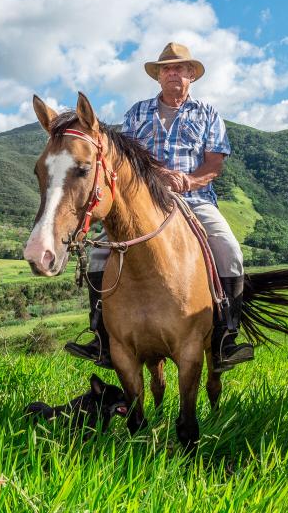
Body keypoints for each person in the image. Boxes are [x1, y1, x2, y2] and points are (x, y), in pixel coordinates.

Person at [65, 42, 254, 373]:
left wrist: (188, 181)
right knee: (98, 254)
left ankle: (226, 338)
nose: (173, 74)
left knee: (230, 250)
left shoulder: (207, 114)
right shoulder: (137, 113)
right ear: (158, 76)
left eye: (180, 68)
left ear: (191, 75)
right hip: (143, 201)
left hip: (194, 200)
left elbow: (214, 165)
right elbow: (120, 160)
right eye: (167, 68)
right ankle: (101, 336)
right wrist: (156, 175)